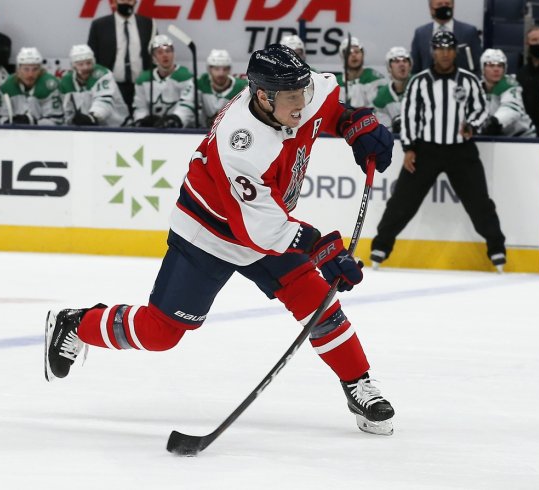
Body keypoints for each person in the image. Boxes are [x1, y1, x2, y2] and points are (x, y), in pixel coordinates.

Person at [43, 44, 397, 435]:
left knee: (319, 304)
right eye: (293, 98)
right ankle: (76, 323)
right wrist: (319, 248)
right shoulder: (242, 143)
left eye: (304, 93)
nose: (303, 104)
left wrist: (353, 124)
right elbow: (257, 231)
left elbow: (328, 109)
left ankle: (358, 383)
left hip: (266, 222)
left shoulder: (299, 91)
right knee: (161, 333)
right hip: (208, 234)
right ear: (263, 97)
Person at [370, 31, 506, 272]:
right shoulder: (419, 81)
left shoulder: (468, 80)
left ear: (455, 52)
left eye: (449, 48)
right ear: (433, 51)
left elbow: (480, 109)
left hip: (461, 151)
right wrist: (409, 148)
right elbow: (411, 116)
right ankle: (380, 248)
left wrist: (471, 124)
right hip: (425, 150)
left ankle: (497, 250)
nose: (444, 53)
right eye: (440, 48)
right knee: (402, 202)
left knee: (480, 204)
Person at [87, 0, 154, 114]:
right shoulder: (99, 25)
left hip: (140, 87)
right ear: (114, 2)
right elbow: (93, 57)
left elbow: (154, 56)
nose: (126, 2)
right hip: (111, 86)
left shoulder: (148, 24)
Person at [171, 49, 247, 128]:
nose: (221, 73)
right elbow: (187, 104)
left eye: (225, 69)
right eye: (216, 69)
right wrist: (178, 119)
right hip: (201, 133)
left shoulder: (242, 87)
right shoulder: (198, 82)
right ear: (209, 69)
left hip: (230, 132)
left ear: (229, 69)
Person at [132, 34, 195, 128]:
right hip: (152, 131)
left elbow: (187, 105)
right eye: (160, 52)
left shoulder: (185, 76)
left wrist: (176, 119)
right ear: (153, 57)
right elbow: (140, 107)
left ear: (173, 54)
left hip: (180, 130)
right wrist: (142, 120)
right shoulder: (143, 79)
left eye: (168, 51)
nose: (165, 55)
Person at [59, 44, 130, 127]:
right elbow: (67, 108)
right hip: (89, 128)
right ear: (73, 66)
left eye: (89, 63)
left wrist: (92, 117)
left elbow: (103, 102)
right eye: (80, 64)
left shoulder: (103, 74)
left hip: (118, 126)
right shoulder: (67, 81)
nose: (85, 67)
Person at [410, 0, 482, 75]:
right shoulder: (421, 33)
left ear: (453, 6)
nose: (444, 7)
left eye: (447, 4)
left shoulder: (469, 32)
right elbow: (415, 68)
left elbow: (478, 65)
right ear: (431, 9)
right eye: (439, 4)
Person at [0, 47, 64, 125]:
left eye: (35, 69)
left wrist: (33, 122)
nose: (30, 74)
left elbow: (56, 121)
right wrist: (10, 123)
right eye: (26, 69)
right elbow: (1, 117)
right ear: (18, 69)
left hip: (42, 134)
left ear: (40, 70)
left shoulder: (50, 85)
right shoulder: (7, 85)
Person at [478, 49, 535, 137]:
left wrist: (495, 121)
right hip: (496, 137)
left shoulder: (509, 84)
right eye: (491, 65)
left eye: (500, 65)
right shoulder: (476, 87)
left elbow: (511, 109)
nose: (496, 69)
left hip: (523, 137)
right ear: (483, 68)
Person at [335, 36, 386, 108]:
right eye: (349, 53)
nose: (353, 55)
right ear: (343, 57)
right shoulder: (335, 83)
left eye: (357, 51)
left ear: (363, 54)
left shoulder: (374, 78)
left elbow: (380, 109)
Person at [373, 46, 412, 133]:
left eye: (405, 61)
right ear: (389, 67)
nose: (402, 64)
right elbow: (383, 129)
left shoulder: (420, 87)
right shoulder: (381, 96)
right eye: (397, 61)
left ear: (410, 66)